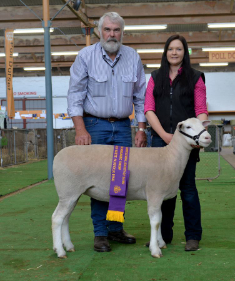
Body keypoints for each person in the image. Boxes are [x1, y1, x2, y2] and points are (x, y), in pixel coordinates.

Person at [67, 12, 147, 253]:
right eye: (107, 30)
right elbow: (75, 95)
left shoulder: (133, 57)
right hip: (95, 126)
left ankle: (115, 228)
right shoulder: (85, 57)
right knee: (98, 179)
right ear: (99, 32)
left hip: (123, 126)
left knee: (120, 180)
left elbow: (141, 97)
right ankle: (100, 233)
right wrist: (80, 128)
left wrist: (141, 128)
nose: (112, 34)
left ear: (122, 32)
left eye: (116, 30)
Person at [144, 34, 208, 251]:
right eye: (170, 49)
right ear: (165, 51)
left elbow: (200, 110)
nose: (174, 52)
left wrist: (200, 132)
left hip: (186, 145)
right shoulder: (155, 77)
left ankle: (193, 236)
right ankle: (163, 235)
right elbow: (148, 109)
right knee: (161, 190)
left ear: (185, 52)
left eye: (179, 49)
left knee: (187, 188)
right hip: (159, 141)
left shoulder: (196, 77)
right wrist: (163, 134)